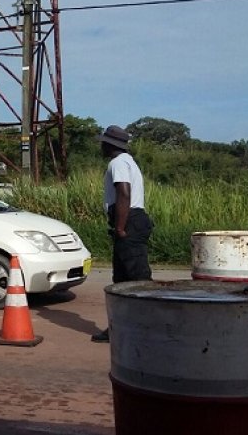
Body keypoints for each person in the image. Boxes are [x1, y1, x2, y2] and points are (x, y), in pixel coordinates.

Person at [92, 126, 154, 343]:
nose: (101, 146)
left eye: (103, 142)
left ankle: (150, 329)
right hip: (131, 220)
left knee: (137, 278)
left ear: (110, 145)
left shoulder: (118, 163)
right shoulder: (128, 161)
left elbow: (124, 192)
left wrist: (120, 227)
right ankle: (119, 328)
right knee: (121, 280)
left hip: (129, 221)